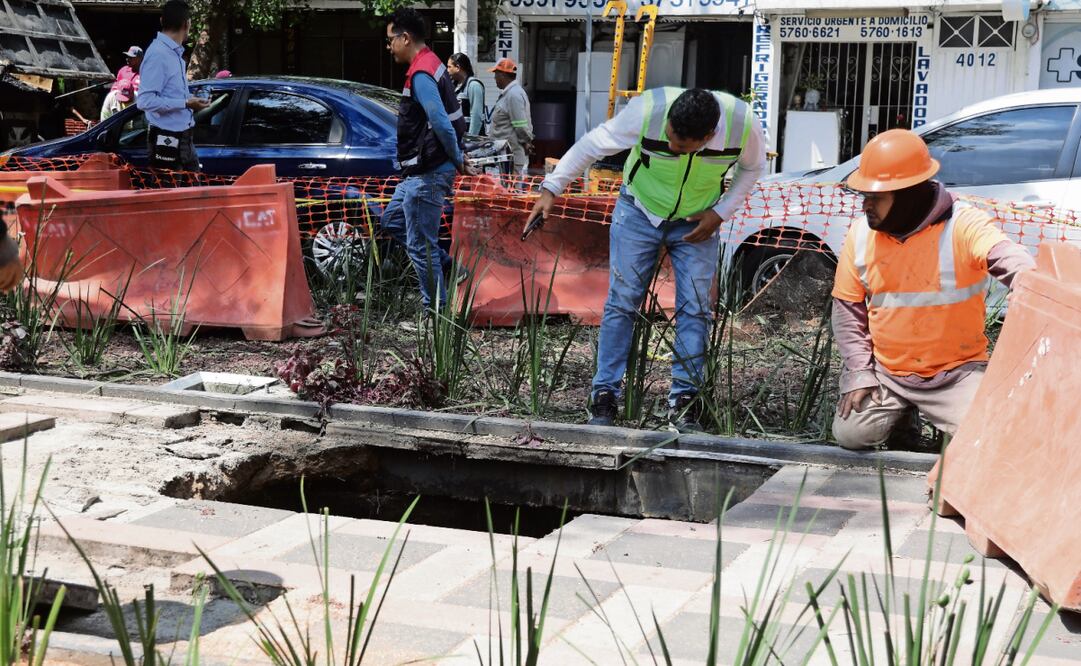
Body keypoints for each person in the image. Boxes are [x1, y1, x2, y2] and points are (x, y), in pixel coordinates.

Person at [530, 87, 766, 431]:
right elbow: (591, 145)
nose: (671, 149)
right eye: (668, 140)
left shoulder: (741, 124)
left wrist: (720, 212)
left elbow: (752, 169)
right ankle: (604, 395)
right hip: (639, 211)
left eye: (681, 148)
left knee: (696, 307)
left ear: (708, 137)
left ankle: (684, 402)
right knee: (622, 302)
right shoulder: (647, 110)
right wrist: (551, 188)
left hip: (697, 222)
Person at [831, 129, 1036, 450]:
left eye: (876, 197)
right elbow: (847, 311)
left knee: (990, 441)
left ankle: (946, 428)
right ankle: (901, 421)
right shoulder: (860, 235)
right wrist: (860, 372)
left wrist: (1029, 284)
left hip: (957, 374)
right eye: (864, 195)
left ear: (909, 193)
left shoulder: (963, 224)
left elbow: (1009, 257)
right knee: (851, 435)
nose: (866, 205)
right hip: (889, 374)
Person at [380, 8, 472, 310]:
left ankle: (436, 315)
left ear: (405, 38)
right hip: (421, 172)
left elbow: (442, 122)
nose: (389, 46)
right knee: (392, 219)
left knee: (421, 246)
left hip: (428, 172)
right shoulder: (430, 63)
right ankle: (448, 267)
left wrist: (458, 159)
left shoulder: (421, 72)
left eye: (391, 40)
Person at [136, 0, 209, 171]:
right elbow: (145, 102)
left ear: (162, 21)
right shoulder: (158, 54)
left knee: (195, 195)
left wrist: (190, 100)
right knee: (170, 195)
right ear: (186, 24)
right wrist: (185, 103)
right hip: (165, 137)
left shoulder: (174, 52)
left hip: (185, 137)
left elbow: (171, 94)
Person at [487, 58, 533, 175]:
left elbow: (520, 125)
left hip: (511, 157)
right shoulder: (510, 93)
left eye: (496, 74)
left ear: (502, 75)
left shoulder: (514, 95)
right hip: (504, 157)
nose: (494, 78)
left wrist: (526, 142)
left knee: (513, 190)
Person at [447, 53, 485, 136]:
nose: (447, 70)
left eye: (449, 67)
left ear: (457, 68)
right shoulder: (454, 86)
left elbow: (476, 117)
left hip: (470, 142)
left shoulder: (474, 85)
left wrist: (470, 140)